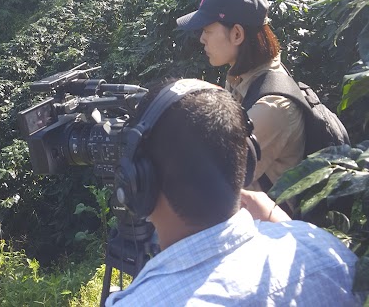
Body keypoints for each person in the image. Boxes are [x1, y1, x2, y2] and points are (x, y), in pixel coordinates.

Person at [106, 81, 361, 306]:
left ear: (138, 181)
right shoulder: (331, 254)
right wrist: (293, 230)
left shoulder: (138, 301)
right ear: (247, 159)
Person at [176, 0, 305, 193]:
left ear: (237, 34)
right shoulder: (242, 78)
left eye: (207, 30)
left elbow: (217, 179)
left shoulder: (271, 107)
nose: (202, 39)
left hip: (265, 214)